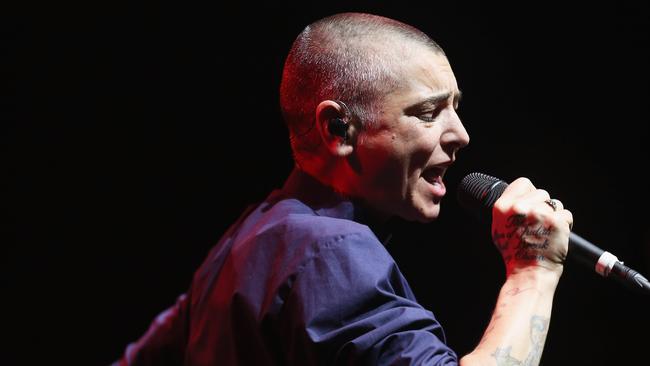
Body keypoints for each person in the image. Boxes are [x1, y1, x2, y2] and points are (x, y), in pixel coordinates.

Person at [112, 12, 573, 365]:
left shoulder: (244, 242)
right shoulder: (329, 251)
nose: (461, 134)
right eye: (429, 112)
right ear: (339, 129)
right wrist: (532, 272)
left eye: (455, 107)